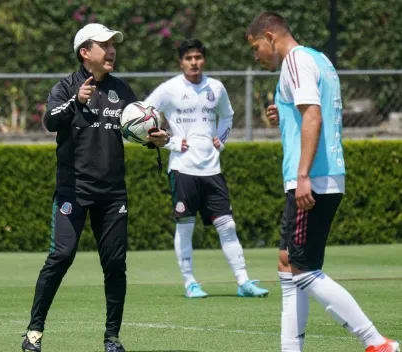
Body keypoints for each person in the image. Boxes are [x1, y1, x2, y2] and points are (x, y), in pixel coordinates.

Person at [246, 12, 400, 352]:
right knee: (287, 262)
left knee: (302, 270)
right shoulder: (318, 59)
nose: (256, 57)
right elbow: (309, 113)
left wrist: (302, 177)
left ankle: (376, 343)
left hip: (311, 178)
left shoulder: (295, 61)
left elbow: (313, 116)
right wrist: (281, 113)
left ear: (270, 37)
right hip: (320, 175)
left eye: (256, 47)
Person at [21, 23, 169, 352]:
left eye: (114, 44)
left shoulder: (122, 90)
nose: (112, 50)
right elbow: (50, 121)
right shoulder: (65, 88)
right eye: (105, 45)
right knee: (61, 256)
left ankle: (112, 337)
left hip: (112, 194)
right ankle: (34, 331)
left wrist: (157, 138)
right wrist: (76, 100)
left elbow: (137, 128)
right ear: (85, 53)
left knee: (115, 265)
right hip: (72, 192)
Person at [144, 39, 269, 299]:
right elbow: (142, 116)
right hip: (182, 168)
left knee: (228, 226)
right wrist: (171, 141)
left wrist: (220, 140)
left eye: (198, 57)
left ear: (204, 59)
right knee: (185, 227)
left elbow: (227, 115)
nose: (194, 63)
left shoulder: (216, 87)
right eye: (189, 58)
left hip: (212, 169)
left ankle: (243, 281)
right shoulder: (169, 89)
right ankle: (190, 282)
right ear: (181, 62)